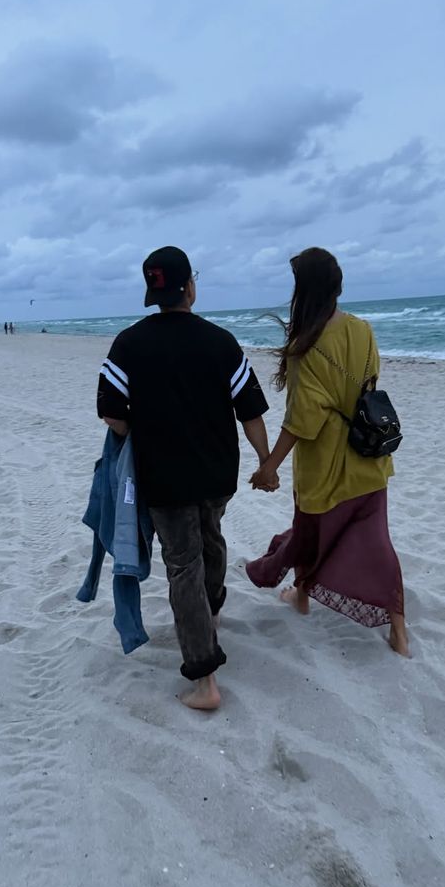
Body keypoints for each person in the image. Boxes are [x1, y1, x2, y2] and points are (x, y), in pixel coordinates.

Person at [96, 246, 273, 710]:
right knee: (210, 539)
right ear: (190, 288)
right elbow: (250, 411)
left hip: (163, 478)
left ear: (153, 292)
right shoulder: (220, 341)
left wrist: (146, 431)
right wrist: (266, 461)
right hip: (217, 474)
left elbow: (111, 414)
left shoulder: (128, 343)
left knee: (182, 563)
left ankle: (204, 679)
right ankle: (209, 617)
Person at [248, 247, 408, 656]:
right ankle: (398, 629)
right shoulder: (363, 329)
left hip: (324, 463)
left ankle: (301, 597)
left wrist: (270, 467)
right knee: (376, 543)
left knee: (309, 531)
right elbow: (368, 385)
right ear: (338, 287)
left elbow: (304, 419)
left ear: (303, 291)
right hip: (368, 453)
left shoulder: (307, 345)